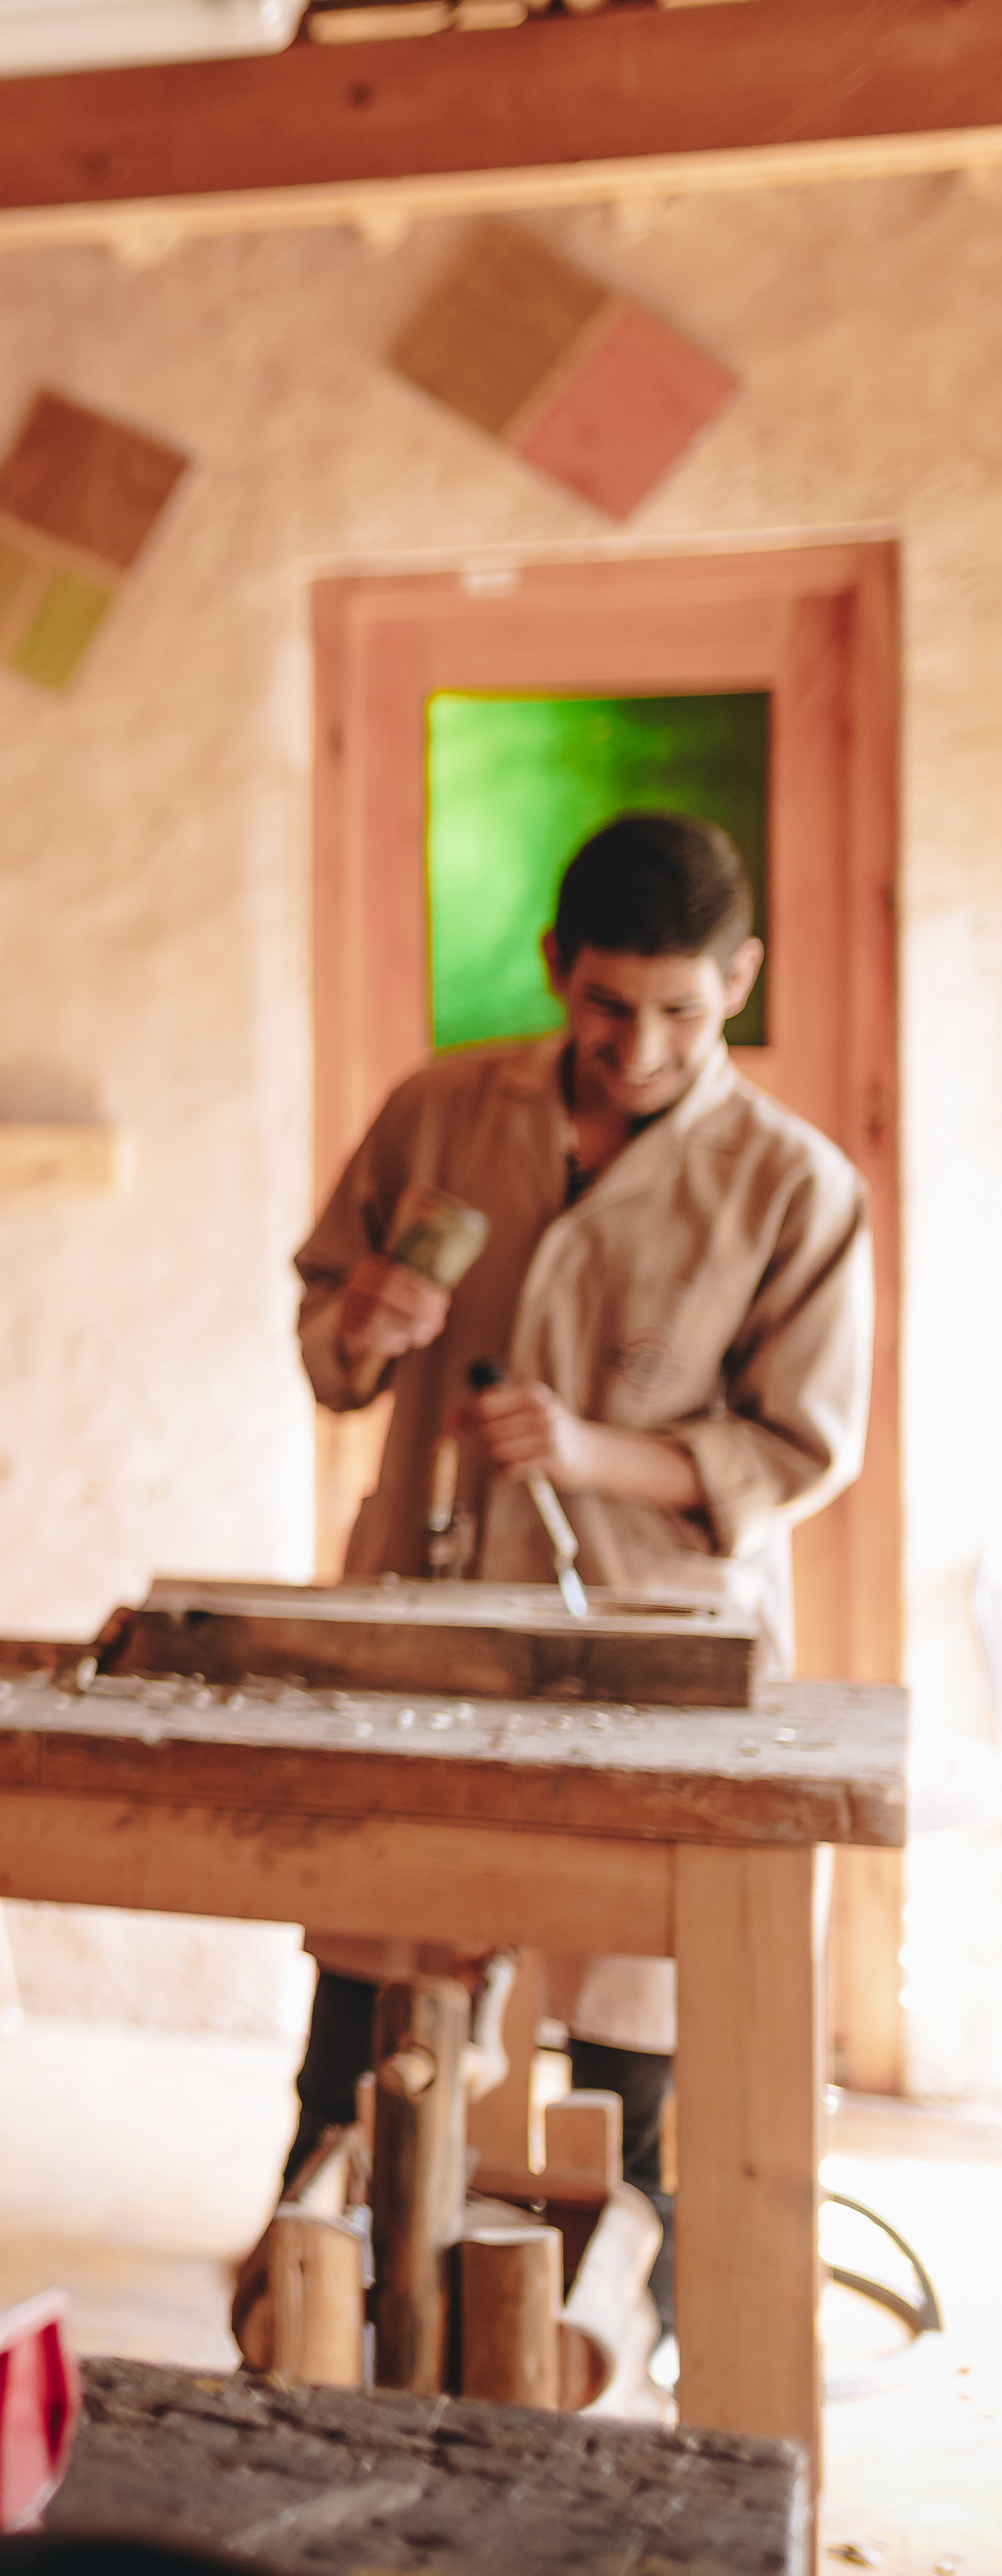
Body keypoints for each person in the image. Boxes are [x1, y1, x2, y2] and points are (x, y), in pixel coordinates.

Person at [285, 811, 871, 2296]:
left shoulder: (795, 1185)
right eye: (608, 1004)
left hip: (654, 1650)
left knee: (637, 2043)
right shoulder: (435, 1112)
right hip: (418, 1619)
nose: (644, 1048)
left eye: (684, 1009)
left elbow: (803, 1447)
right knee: (365, 2019)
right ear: (554, 965)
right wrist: (360, 1325)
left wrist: (594, 1449)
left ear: (739, 972)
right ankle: (322, 2310)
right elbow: (326, 1342)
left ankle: (646, 2348)